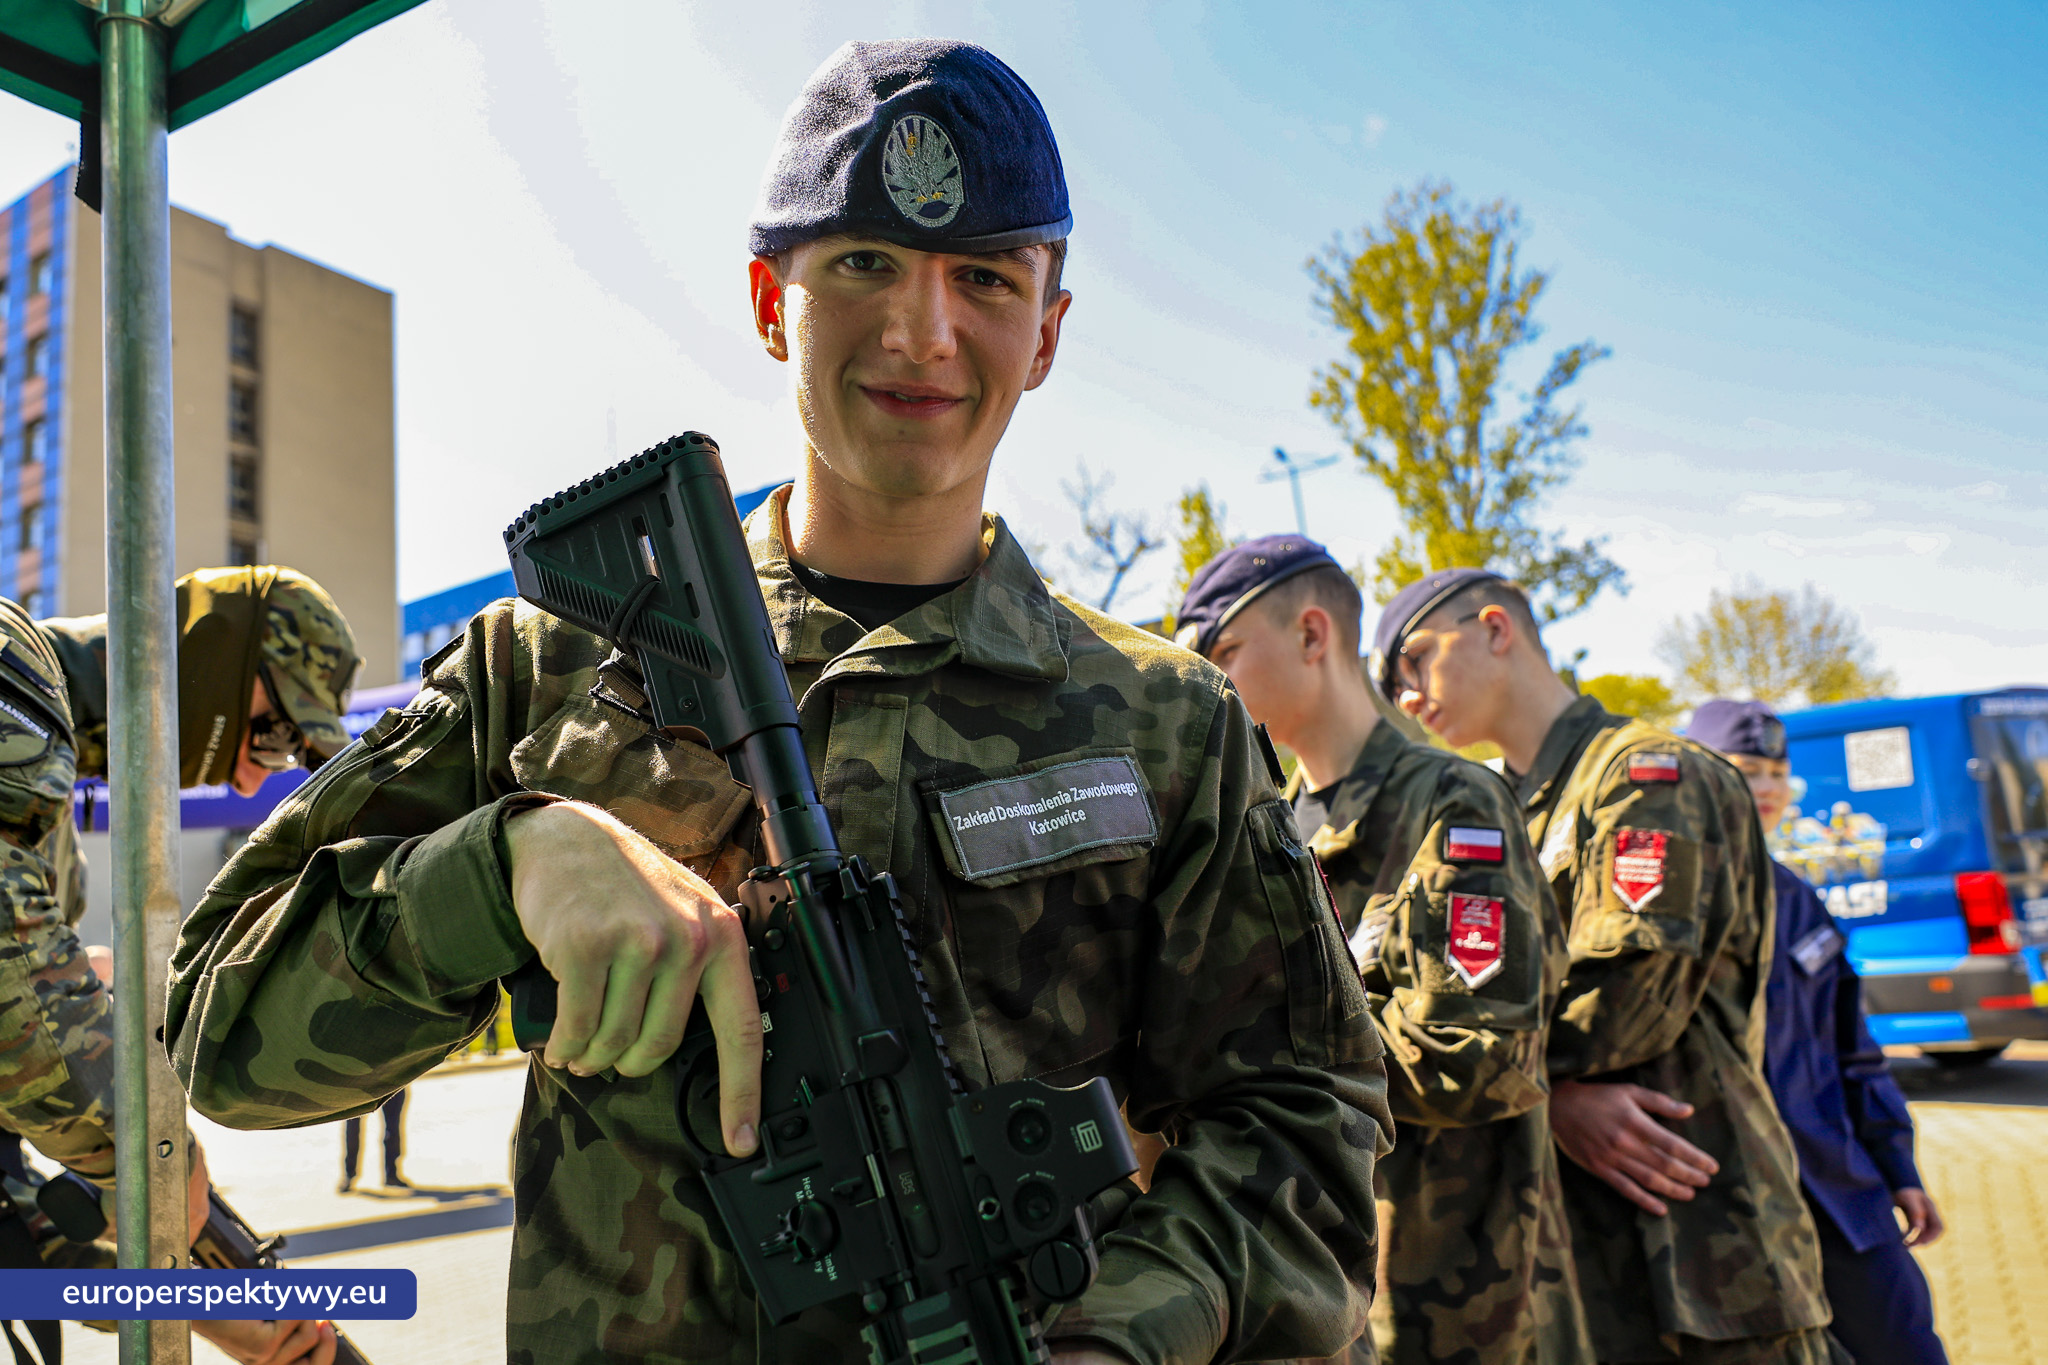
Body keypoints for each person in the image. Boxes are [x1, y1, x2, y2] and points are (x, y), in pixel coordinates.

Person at [165, 40, 1392, 1365]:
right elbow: (216, 1036)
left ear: (1047, 333)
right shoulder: (550, 661)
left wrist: (1118, 1342)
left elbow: (1301, 1124)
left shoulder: (1164, 723)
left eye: (984, 278)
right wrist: (504, 864)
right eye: (863, 262)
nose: (924, 332)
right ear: (769, 301)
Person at [1372, 568, 1831, 1364]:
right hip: (1570, 1253)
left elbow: (1627, 998)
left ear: (1494, 628)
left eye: (1414, 660)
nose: (1407, 696)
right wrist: (1552, 1095)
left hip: (1703, 1252)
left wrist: (1507, 1072)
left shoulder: (1646, 775)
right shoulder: (1500, 806)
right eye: (1392, 684)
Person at [1175, 537, 1591, 1364]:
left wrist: (1253, 1061)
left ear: (1312, 635)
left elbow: (1478, 1053)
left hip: (1466, 1305)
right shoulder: (1267, 826)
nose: (1209, 684)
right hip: (1334, 1305)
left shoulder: (1451, 801)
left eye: (1222, 651)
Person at [0, 565, 357, 1364]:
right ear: (221, 656)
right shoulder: (9, 673)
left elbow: (11, 1215)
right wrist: (154, 1143)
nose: (256, 776)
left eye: (288, 755)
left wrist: (207, 1303)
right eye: (270, 733)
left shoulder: (46, 797)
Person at [1684, 700, 1949, 1365]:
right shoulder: (1673, 897)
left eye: (1779, 771)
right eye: (1748, 769)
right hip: (1725, 1209)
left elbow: (1850, 1048)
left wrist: (1897, 1167)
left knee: (1906, 1343)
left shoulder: (1797, 896)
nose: (1768, 788)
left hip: (1836, 1190)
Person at [338, 1086, 408, 1193]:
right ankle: (349, 1174)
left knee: (392, 1129)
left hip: (390, 1082)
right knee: (353, 1128)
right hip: (363, 1082)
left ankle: (392, 1174)